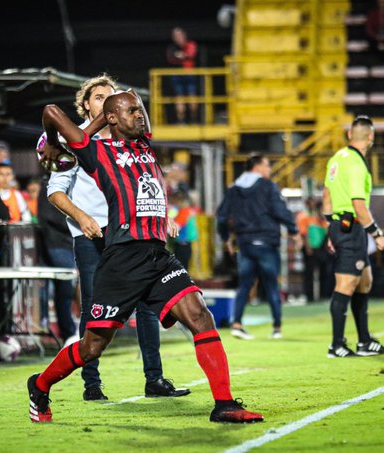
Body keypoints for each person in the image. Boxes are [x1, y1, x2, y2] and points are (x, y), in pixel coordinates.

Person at [29, 90, 264, 424]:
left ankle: (224, 404)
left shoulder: (144, 143)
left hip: (157, 256)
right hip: (122, 259)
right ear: (111, 119)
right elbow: (51, 110)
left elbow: (132, 99)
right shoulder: (94, 151)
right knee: (92, 347)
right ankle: (39, 385)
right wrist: (55, 142)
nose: (140, 115)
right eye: (131, 112)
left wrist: (122, 107)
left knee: (200, 316)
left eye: (140, 111)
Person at [45, 74, 190, 401]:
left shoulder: (130, 139)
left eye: (112, 98)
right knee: (93, 310)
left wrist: (160, 218)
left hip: (132, 235)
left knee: (148, 308)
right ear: (87, 106)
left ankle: (155, 378)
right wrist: (82, 218)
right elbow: (54, 192)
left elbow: (147, 182)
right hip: (93, 237)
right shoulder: (80, 141)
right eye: (99, 98)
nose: (108, 103)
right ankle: (91, 384)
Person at [322, 115, 384, 358]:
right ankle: (337, 345)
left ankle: (364, 342)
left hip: (341, 225)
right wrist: (377, 234)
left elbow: (326, 196)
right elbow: (358, 204)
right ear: (371, 137)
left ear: (350, 134)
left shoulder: (336, 159)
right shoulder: (355, 164)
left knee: (365, 280)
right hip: (351, 228)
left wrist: (331, 227)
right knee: (346, 284)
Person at [216, 153, 301, 340]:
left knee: (244, 285)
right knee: (271, 285)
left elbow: (221, 217)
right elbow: (280, 210)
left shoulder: (234, 189)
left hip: (245, 244)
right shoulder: (267, 187)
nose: (269, 170)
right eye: (267, 166)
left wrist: (226, 238)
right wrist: (294, 231)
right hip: (267, 243)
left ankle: (237, 324)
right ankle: (277, 328)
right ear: (258, 167)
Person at [36, 176, 77, 344]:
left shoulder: (70, 182)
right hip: (57, 244)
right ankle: (68, 332)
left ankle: (68, 331)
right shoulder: (49, 184)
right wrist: (78, 218)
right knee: (65, 289)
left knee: (65, 290)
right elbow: (47, 216)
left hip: (67, 243)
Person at [296, 198, 331, 302]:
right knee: (309, 274)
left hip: (321, 248)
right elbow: (304, 233)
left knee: (324, 272)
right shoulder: (304, 216)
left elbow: (326, 231)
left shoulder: (323, 217)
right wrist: (308, 247)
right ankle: (309, 297)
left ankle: (323, 296)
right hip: (310, 248)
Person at [166, 27, 199, 124]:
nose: (178, 38)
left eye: (179, 35)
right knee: (179, 98)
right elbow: (171, 58)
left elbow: (191, 54)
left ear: (184, 35)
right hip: (177, 75)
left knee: (192, 97)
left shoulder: (191, 44)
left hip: (189, 74)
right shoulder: (172, 48)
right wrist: (181, 56)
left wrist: (182, 56)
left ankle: (194, 120)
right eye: (175, 36)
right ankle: (182, 121)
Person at [168, 190, 198, 272]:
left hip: (182, 243)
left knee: (181, 268)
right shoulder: (187, 210)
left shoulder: (184, 211)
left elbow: (175, 227)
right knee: (182, 267)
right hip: (183, 242)